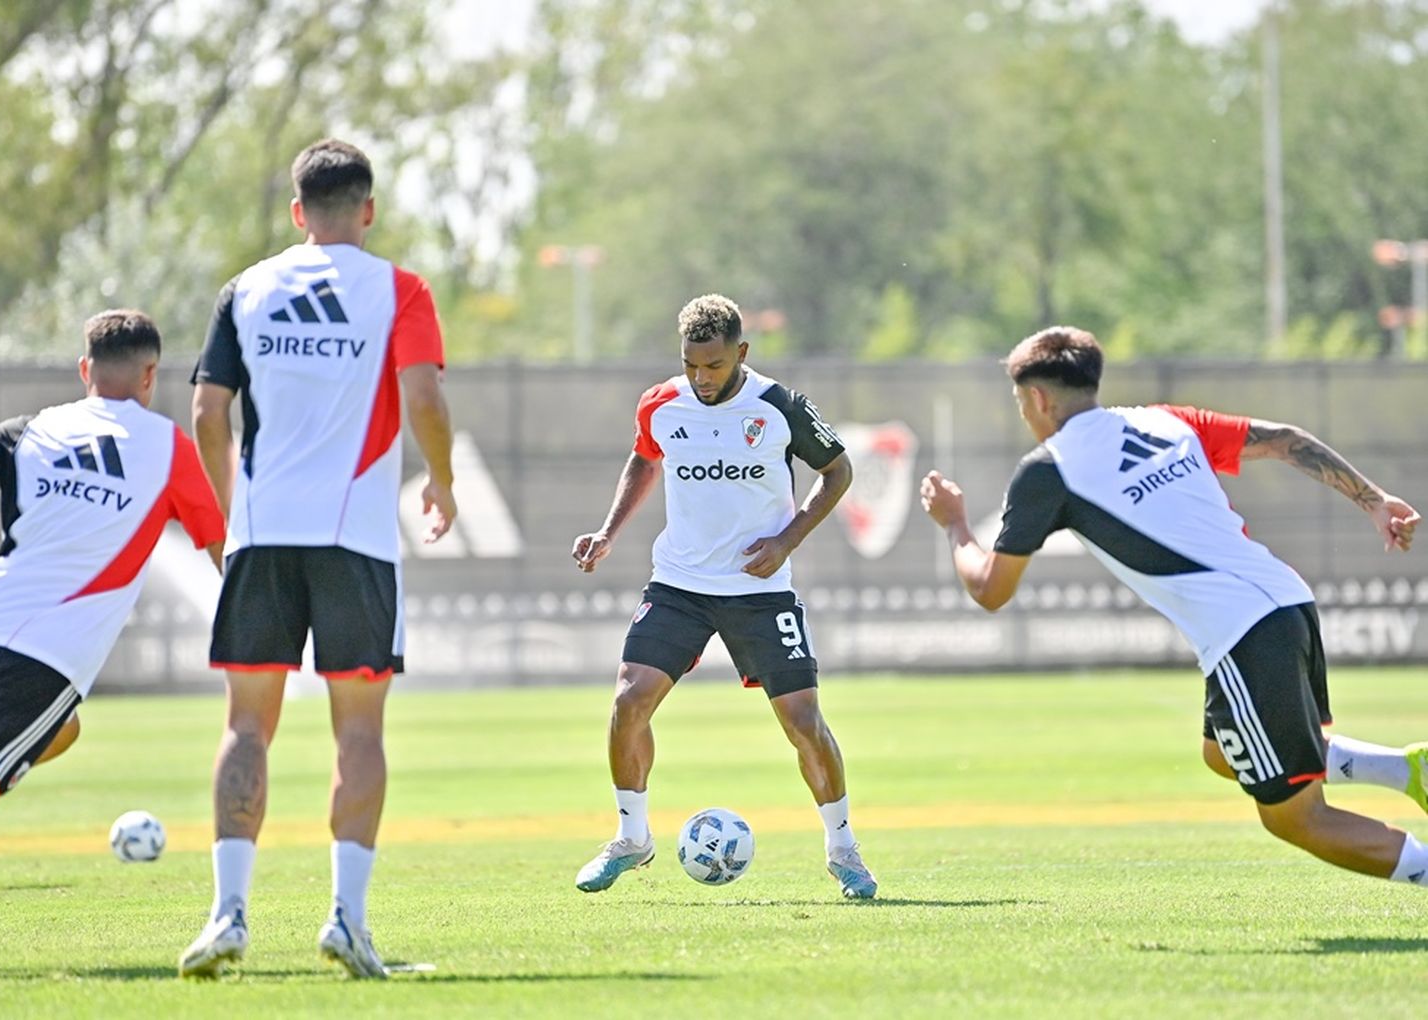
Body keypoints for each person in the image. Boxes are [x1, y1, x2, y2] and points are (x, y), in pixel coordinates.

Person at [920, 325, 1428, 887]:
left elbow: (991, 589)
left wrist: (955, 524)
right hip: (1286, 600)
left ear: (1038, 398)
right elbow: (1285, 439)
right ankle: (1406, 771)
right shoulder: (1164, 419)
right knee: (1222, 753)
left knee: (1297, 818)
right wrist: (1374, 501)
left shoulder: (1049, 469)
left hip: (1245, 634)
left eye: (1021, 403)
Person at [180, 139, 456, 980]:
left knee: (245, 725)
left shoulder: (248, 288)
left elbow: (205, 413)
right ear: (366, 210)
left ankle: (227, 915)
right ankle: (347, 921)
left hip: (262, 537)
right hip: (357, 539)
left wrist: (239, 517)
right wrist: (443, 483)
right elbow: (424, 397)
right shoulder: (399, 288)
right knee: (360, 729)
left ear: (297, 212)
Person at [570, 293, 877, 899]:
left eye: (712, 365)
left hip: (759, 591)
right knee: (629, 699)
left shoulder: (779, 406)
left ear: (741, 352)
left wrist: (786, 542)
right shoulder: (661, 403)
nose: (701, 378)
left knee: (804, 723)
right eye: (690, 364)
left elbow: (837, 471)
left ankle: (844, 851)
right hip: (679, 584)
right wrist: (608, 532)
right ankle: (632, 838)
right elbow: (644, 461)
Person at [0, 309, 225, 838]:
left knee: (61, 729)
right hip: (39, 656)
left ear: (85, 368)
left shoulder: (29, 427)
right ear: (151, 374)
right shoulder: (170, 448)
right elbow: (223, 549)